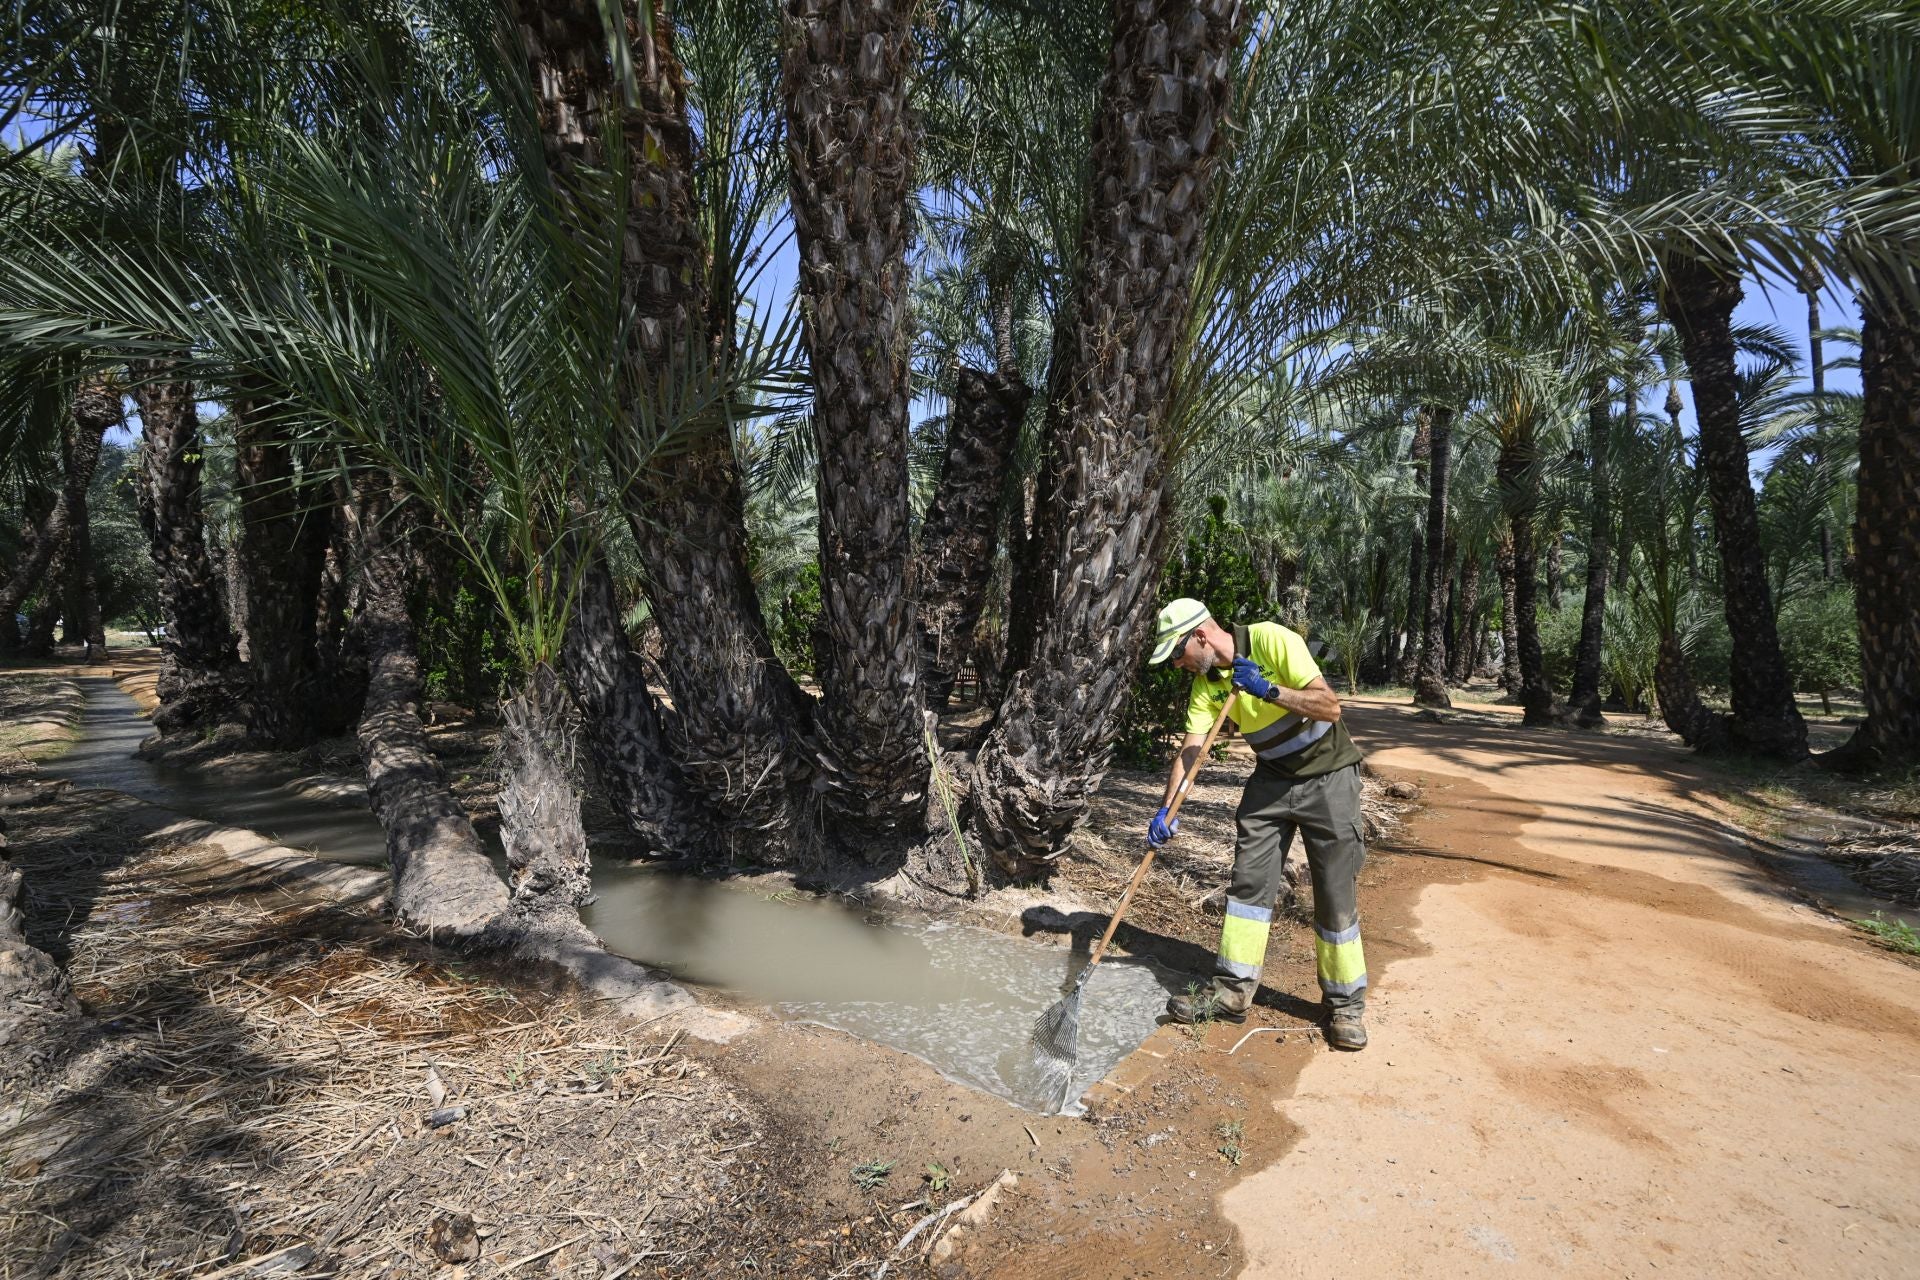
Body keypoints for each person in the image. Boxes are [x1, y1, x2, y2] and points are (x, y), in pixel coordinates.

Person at [1145, 597, 1370, 1050]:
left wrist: (1268, 690)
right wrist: (1167, 810)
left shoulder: (1271, 638)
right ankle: (1231, 991)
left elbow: (1329, 707)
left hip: (1329, 776)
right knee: (1248, 883)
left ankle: (1345, 1006)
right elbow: (1191, 750)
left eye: (1177, 653)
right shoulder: (1207, 685)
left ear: (1201, 637)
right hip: (1272, 780)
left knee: (1333, 891)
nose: (1177, 665)